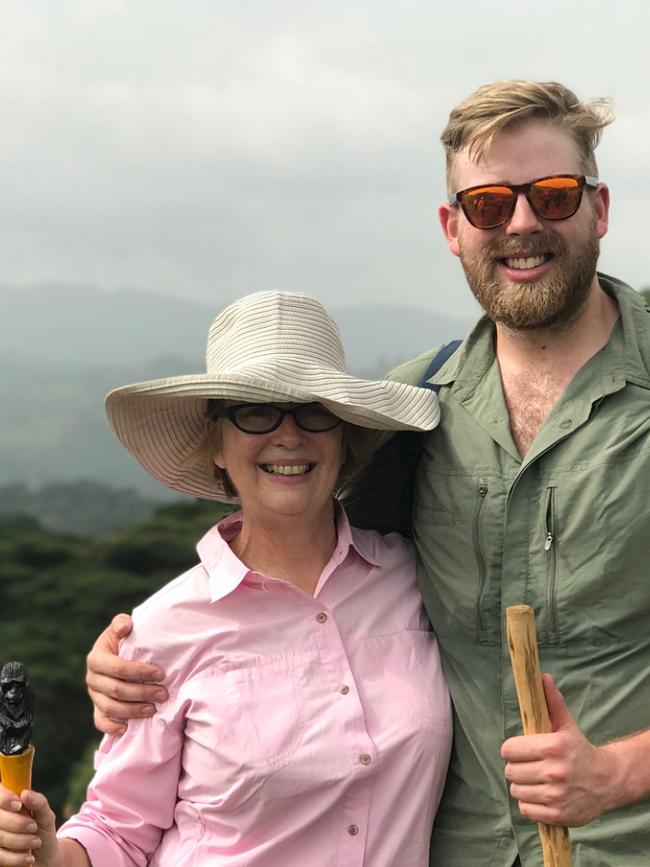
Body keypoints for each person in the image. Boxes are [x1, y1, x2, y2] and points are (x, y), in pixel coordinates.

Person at [83, 80, 650, 866]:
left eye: (552, 195)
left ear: (601, 207)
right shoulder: (414, 414)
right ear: (454, 228)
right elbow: (293, 560)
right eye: (489, 204)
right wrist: (143, 657)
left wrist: (619, 772)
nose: (522, 223)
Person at [0, 290, 451, 866]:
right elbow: (119, 830)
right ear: (216, 440)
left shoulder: (415, 578)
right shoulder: (162, 631)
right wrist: (45, 851)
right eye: (255, 411)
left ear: (345, 436)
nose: (289, 436)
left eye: (314, 411)